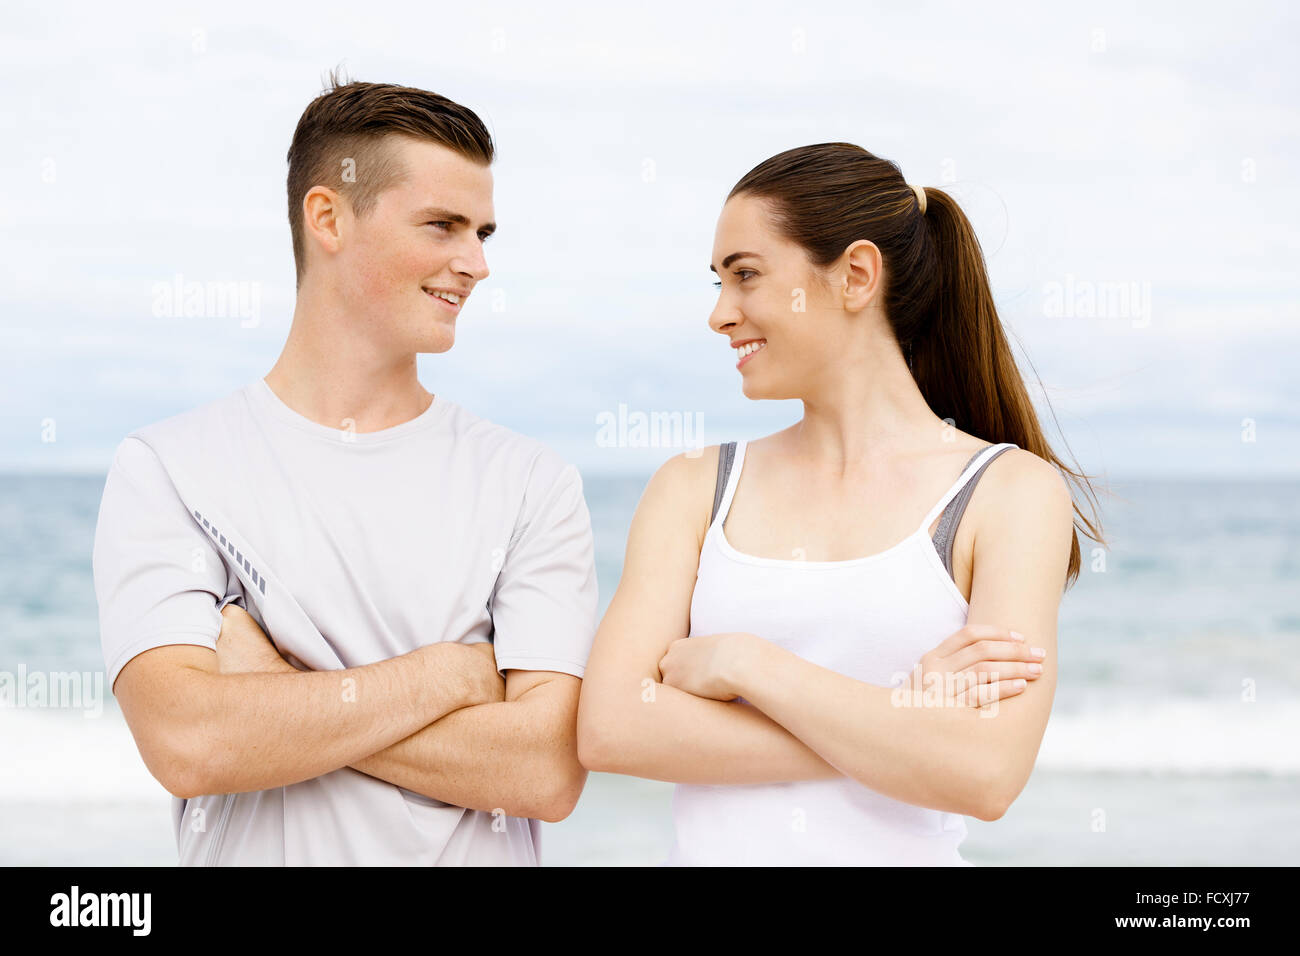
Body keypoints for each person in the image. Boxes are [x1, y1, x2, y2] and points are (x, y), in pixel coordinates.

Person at [91, 72, 598, 865]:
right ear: (327, 216)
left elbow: (545, 770)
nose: (475, 263)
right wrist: (448, 677)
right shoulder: (168, 470)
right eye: (443, 225)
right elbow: (188, 742)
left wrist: (280, 691)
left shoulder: (531, 483)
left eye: (484, 234)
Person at [576, 143, 1104, 866]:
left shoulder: (1008, 492)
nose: (720, 315)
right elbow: (609, 727)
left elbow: (985, 776)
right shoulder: (695, 486)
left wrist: (747, 665)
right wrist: (900, 723)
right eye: (718, 282)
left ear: (856, 275)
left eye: (746, 276)